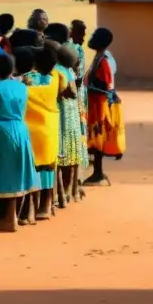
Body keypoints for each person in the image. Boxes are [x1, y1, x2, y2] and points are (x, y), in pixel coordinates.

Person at [0, 54, 38, 232]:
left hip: (1, 131)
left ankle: (9, 219)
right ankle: (15, 215)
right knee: (19, 172)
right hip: (21, 129)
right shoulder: (22, 87)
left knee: (5, 174)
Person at [24, 45, 63, 220]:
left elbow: (24, 92)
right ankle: (46, 206)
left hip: (32, 129)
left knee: (33, 168)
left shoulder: (28, 79)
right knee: (48, 167)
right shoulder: (56, 78)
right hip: (49, 127)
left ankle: (31, 208)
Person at [85, 28, 125, 186]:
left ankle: (98, 173)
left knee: (98, 137)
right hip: (96, 103)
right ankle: (97, 171)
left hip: (100, 104)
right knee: (96, 138)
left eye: (94, 36)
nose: (91, 38)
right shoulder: (99, 57)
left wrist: (87, 88)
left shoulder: (104, 60)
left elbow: (107, 86)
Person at [55, 45, 85, 206]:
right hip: (72, 118)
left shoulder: (57, 71)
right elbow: (74, 92)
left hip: (62, 118)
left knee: (62, 157)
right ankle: (71, 191)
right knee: (73, 155)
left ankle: (62, 194)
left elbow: (64, 91)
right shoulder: (70, 72)